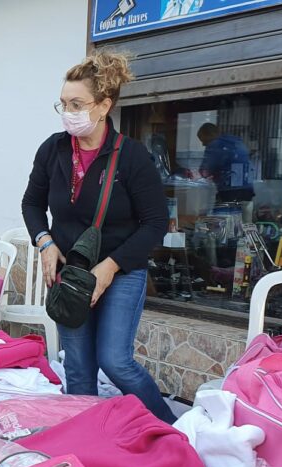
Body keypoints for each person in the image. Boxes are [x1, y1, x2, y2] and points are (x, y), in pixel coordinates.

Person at [20, 51, 175, 423]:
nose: (67, 111)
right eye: (63, 103)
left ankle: (172, 428)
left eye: (77, 103)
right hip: (71, 274)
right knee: (77, 368)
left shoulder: (132, 157)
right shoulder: (53, 150)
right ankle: (85, 440)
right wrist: (44, 241)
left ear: (104, 105)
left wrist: (111, 265)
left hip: (121, 271)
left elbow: (155, 223)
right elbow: (31, 204)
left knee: (115, 361)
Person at [197, 122, 254, 204]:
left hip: (229, 190)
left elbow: (205, 171)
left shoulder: (214, 145)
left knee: (223, 215)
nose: (203, 144)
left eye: (203, 140)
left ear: (209, 135)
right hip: (248, 189)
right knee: (243, 215)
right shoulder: (237, 142)